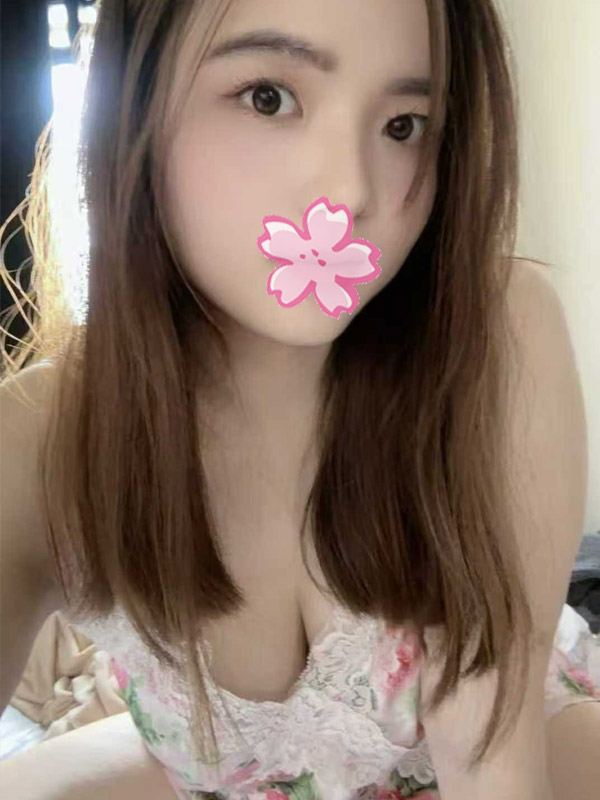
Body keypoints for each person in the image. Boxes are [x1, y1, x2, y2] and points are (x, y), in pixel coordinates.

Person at [0, 0, 598, 798]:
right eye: (269, 98)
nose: (351, 191)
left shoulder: (496, 338)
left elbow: (499, 765)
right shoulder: (38, 443)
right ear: (133, 105)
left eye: (404, 125)